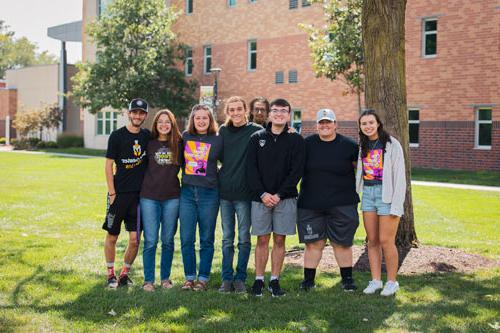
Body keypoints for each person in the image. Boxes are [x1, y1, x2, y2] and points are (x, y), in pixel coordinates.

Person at [247, 98, 305, 297]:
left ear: (289, 115)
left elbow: (296, 171)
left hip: (285, 198)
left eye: (283, 111)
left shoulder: (296, 140)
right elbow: (250, 169)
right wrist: (263, 194)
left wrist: (279, 194)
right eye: (275, 110)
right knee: (262, 240)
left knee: (280, 240)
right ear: (270, 114)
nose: (279, 114)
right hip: (260, 198)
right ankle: (258, 280)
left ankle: (274, 280)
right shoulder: (257, 137)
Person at [297, 109, 359, 292]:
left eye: (328, 122)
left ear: (335, 124)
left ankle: (347, 280)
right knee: (313, 243)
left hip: (343, 203)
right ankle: (308, 281)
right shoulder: (306, 144)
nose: (325, 125)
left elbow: (362, 172)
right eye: (321, 123)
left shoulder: (349, 145)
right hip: (310, 203)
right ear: (316, 125)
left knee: (342, 243)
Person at [356, 109, 406, 296]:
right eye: (364, 123)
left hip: (387, 195)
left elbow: (400, 177)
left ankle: (392, 282)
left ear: (378, 124)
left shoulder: (392, 144)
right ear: (360, 127)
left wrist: (396, 204)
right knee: (372, 241)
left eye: (371, 122)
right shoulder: (362, 145)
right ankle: (376, 280)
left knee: (386, 240)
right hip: (368, 194)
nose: (368, 126)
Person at [103, 98, 150, 288]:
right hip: (119, 194)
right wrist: (112, 193)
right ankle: (110, 274)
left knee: (134, 239)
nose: (137, 115)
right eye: (134, 112)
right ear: (129, 113)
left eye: (141, 113)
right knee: (112, 236)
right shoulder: (117, 136)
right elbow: (108, 166)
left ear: (145, 115)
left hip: (139, 197)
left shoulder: (147, 136)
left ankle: (124, 274)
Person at [218, 96, 262, 293]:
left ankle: (240, 278)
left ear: (246, 110)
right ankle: (226, 279)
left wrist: (290, 129)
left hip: (245, 195)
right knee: (227, 238)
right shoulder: (223, 132)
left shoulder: (256, 131)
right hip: (225, 193)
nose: (235, 113)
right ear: (228, 112)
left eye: (239, 109)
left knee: (244, 238)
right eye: (232, 110)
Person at [179, 104, 222, 291]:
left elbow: (229, 162)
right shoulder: (185, 137)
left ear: (210, 120)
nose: (201, 121)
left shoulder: (218, 140)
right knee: (187, 238)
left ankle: (203, 279)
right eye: (198, 118)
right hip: (187, 193)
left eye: (205, 118)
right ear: (192, 120)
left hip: (209, 194)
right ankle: (189, 277)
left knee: (206, 238)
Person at [140, 109, 182, 292]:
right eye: (160, 122)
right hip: (149, 197)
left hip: (172, 197)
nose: (164, 125)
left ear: (172, 124)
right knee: (150, 240)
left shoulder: (179, 144)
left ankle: (165, 278)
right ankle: (148, 280)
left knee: (167, 240)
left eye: (167, 122)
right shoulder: (148, 143)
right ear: (155, 125)